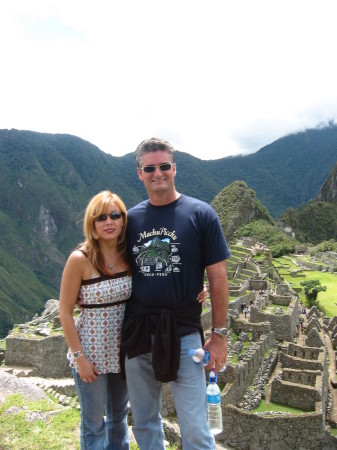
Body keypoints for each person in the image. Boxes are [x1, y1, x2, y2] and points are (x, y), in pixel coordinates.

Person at [121, 137, 231, 450]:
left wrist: (220, 335)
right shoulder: (130, 220)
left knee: (196, 428)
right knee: (143, 420)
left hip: (183, 333)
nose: (158, 173)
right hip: (138, 331)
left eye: (164, 166)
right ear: (139, 173)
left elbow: (218, 276)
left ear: (175, 168)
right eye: (150, 167)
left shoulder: (201, 214)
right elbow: (108, 263)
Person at [59, 191, 132, 450]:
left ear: (123, 220)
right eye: (101, 217)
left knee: (119, 418)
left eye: (115, 215)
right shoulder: (80, 259)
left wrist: (196, 291)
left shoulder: (130, 255)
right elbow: (65, 312)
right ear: (92, 223)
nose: (108, 221)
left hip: (123, 353)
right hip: (91, 354)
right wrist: (80, 358)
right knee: (93, 422)